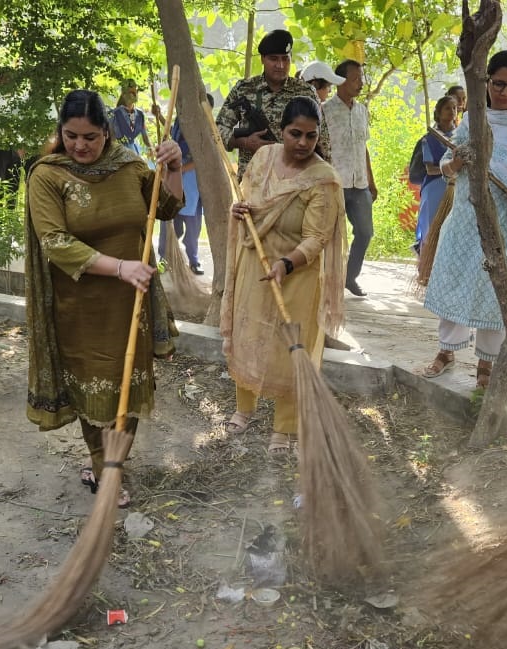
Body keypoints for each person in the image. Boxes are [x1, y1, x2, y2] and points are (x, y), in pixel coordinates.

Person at [23, 89, 184, 508]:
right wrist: (119, 266)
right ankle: (103, 468)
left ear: (106, 133)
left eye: (90, 137)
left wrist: (174, 166)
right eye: (72, 136)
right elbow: (55, 243)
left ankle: (113, 463)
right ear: (61, 132)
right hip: (80, 306)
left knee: (126, 384)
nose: (80, 146)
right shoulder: (47, 175)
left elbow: (164, 207)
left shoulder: (129, 166)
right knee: (95, 391)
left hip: (132, 303)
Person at [420, 50, 507, 388]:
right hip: (467, 215)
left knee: (496, 291)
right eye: (499, 84)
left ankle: (485, 365)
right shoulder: (473, 120)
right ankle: (446, 351)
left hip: (506, 222)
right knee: (455, 279)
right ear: (486, 82)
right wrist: (458, 162)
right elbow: (447, 167)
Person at [221, 97, 346, 456]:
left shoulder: (323, 181)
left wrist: (286, 264)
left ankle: (285, 428)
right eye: (296, 134)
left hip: (296, 273)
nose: (303, 143)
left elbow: (317, 238)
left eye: (311, 135)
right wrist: (240, 209)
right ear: (282, 131)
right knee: (249, 332)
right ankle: (243, 408)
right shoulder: (263, 157)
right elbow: (248, 199)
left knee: (291, 347)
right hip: (254, 262)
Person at [217, 29, 331, 179]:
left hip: (293, 181)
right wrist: (245, 142)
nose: (280, 65)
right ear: (263, 59)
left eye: (285, 59)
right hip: (253, 180)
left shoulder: (305, 91)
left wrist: (325, 176)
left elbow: (322, 138)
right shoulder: (244, 89)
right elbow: (217, 129)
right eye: (274, 59)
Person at [322, 59, 376, 297]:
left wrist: (372, 182)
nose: (360, 83)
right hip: (335, 182)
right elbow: (320, 149)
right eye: (356, 79)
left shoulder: (362, 110)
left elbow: (363, 147)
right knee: (331, 235)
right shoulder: (325, 110)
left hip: (360, 183)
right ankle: (325, 282)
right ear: (340, 81)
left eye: (361, 79)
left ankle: (349, 277)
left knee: (365, 232)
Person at [158, 93, 213, 275]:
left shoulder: (206, 129)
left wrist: (180, 168)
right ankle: (165, 258)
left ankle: (193, 260)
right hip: (174, 181)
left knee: (193, 226)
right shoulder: (180, 124)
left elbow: (203, 158)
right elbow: (170, 138)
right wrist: (159, 116)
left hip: (192, 184)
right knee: (170, 222)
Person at [414, 96, 458, 254]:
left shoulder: (461, 136)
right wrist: (450, 168)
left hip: (456, 187)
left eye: (454, 108)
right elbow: (430, 169)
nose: (452, 112)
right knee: (431, 228)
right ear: (438, 113)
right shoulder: (430, 139)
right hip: (435, 188)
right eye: (447, 108)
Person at [110, 81, 153, 159]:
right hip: (119, 154)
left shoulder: (140, 115)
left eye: (136, 92)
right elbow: (111, 138)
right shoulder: (114, 114)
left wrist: (151, 149)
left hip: (135, 153)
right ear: (124, 94)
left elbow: (145, 137)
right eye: (131, 92)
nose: (135, 94)